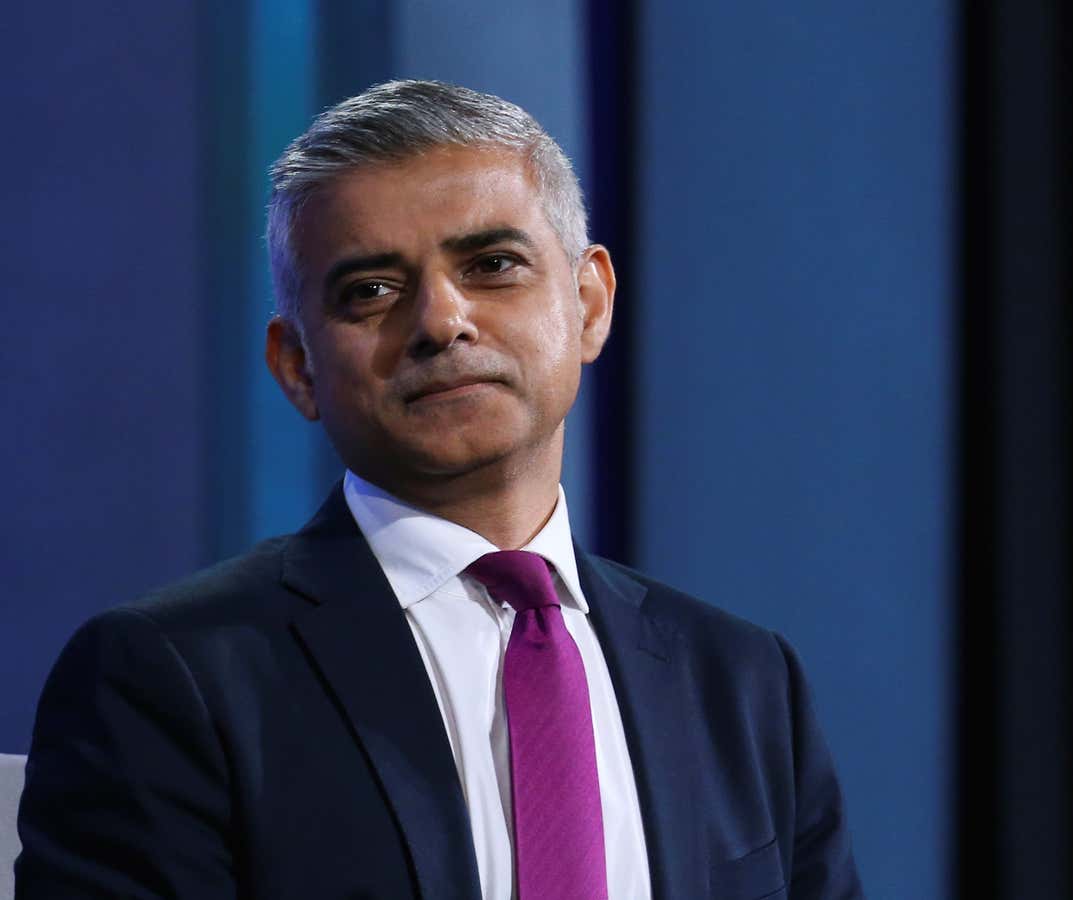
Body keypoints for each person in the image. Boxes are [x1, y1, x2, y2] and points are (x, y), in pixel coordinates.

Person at [14, 79, 863, 900]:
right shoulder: (167, 676)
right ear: (297, 366)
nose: (440, 320)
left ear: (590, 302)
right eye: (371, 290)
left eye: (493, 264)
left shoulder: (743, 681)